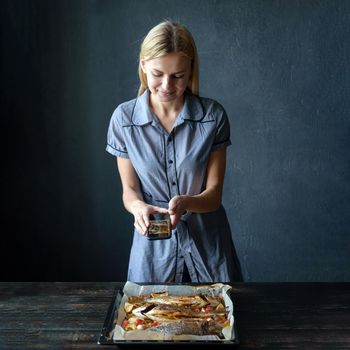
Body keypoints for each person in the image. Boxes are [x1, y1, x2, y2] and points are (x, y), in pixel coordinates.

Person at [106, 21, 242, 283]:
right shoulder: (123, 119)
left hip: (209, 251)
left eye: (178, 76)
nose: (167, 85)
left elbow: (213, 196)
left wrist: (185, 203)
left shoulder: (212, 117)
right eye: (158, 73)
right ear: (143, 65)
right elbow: (129, 191)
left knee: (218, 320)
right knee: (148, 320)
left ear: (191, 70)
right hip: (153, 256)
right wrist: (137, 208)